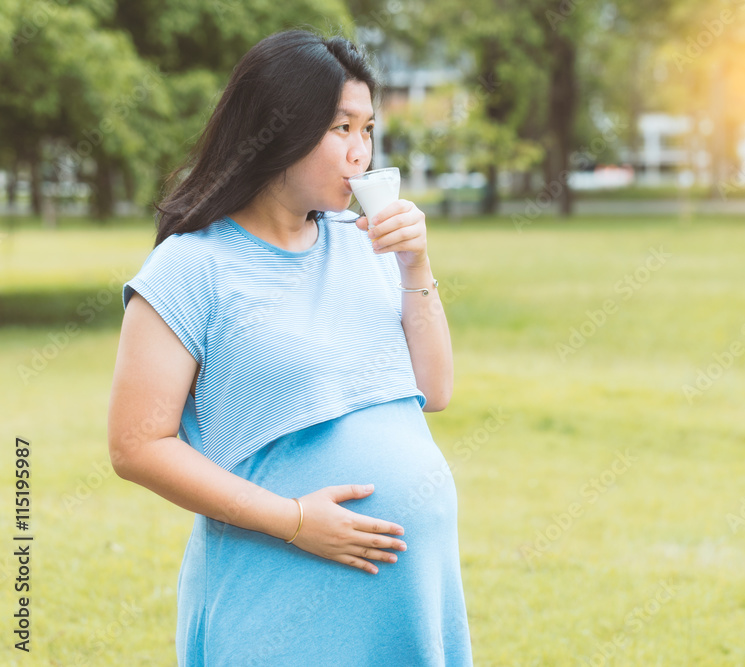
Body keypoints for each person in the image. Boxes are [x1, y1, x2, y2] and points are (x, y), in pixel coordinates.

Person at [106, 29, 474, 665]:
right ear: (278, 128)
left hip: (406, 597)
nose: (361, 152)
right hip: (279, 594)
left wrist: (415, 265)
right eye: (341, 128)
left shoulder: (365, 244)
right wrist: (295, 520)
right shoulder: (191, 267)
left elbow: (434, 390)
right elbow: (135, 446)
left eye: (368, 129)